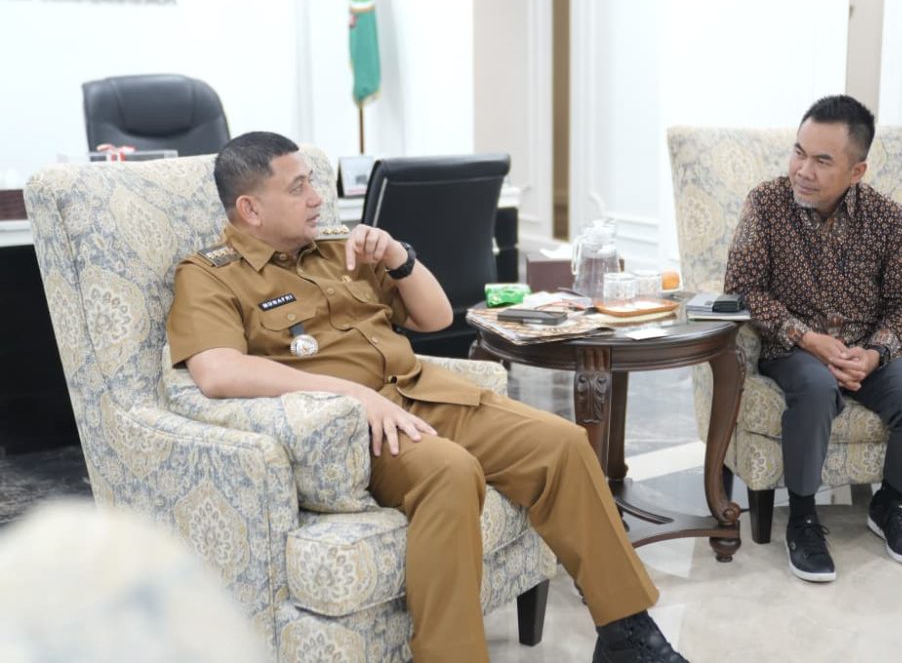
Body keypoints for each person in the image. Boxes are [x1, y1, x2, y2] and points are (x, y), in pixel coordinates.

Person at [165, 132, 688, 663]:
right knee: (450, 471)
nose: (317, 197)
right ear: (250, 208)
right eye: (298, 187)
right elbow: (217, 371)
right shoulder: (209, 275)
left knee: (563, 443)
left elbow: (435, 318)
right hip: (350, 427)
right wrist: (351, 394)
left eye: (313, 182)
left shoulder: (335, 249)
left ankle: (626, 634)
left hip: (423, 393)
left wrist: (397, 256)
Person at [724, 95, 902, 583]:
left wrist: (874, 353)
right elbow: (742, 288)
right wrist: (806, 338)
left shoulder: (889, 221)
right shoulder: (765, 204)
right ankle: (802, 518)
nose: (803, 169)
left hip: (868, 348)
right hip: (794, 348)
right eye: (799, 152)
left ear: (857, 170)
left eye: (822, 160)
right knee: (816, 390)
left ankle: (889, 506)